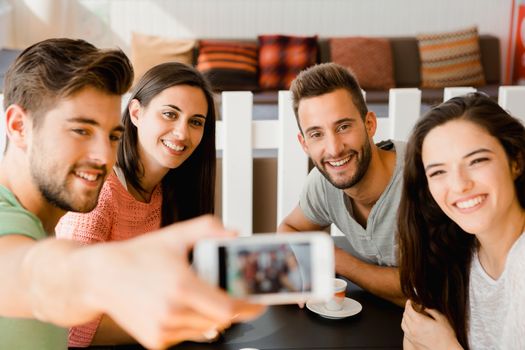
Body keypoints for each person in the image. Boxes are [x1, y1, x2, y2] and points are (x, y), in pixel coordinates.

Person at [0, 38, 263, 350]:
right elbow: (26, 272)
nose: (103, 156)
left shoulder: (44, 224)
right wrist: (103, 272)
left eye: (112, 135)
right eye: (81, 130)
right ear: (18, 127)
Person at [55, 61, 217, 346]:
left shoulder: (168, 190)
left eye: (195, 122)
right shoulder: (100, 195)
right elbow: (67, 327)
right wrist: (179, 327)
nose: (182, 133)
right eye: (169, 114)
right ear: (136, 112)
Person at [398, 93, 525, 349]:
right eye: (438, 172)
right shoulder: (453, 253)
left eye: (477, 160)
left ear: (516, 162)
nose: (459, 185)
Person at [278, 63, 405, 305]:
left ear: (369, 125)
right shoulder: (322, 182)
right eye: (316, 134)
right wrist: (303, 267)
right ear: (304, 144)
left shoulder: (424, 177)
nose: (334, 149)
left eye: (343, 127)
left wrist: (337, 260)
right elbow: (291, 229)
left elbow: (428, 291)